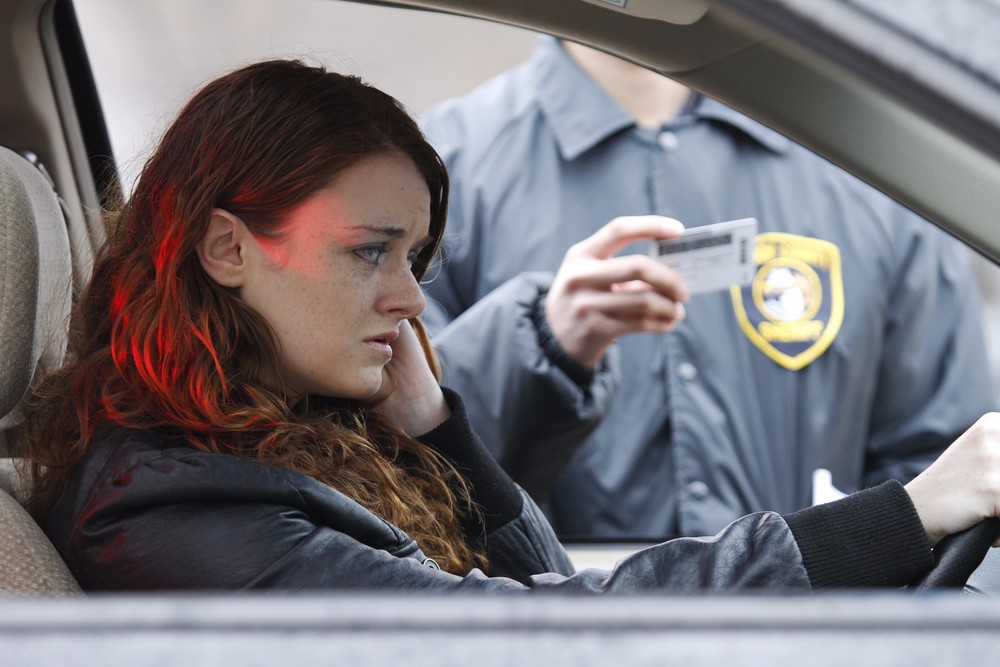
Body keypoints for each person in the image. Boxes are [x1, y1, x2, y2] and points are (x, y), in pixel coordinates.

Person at [9, 58, 1000, 593]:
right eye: (369, 252)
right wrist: (905, 515)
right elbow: (536, 636)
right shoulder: (177, 507)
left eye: (416, 260)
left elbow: (535, 598)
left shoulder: (259, 449)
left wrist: (440, 428)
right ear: (228, 249)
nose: (408, 299)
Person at [419, 36, 997, 539]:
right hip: (557, 636)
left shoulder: (865, 164)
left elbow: (949, 466)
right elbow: (399, 467)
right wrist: (543, 347)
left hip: (815, 638)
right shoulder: (445, 168)